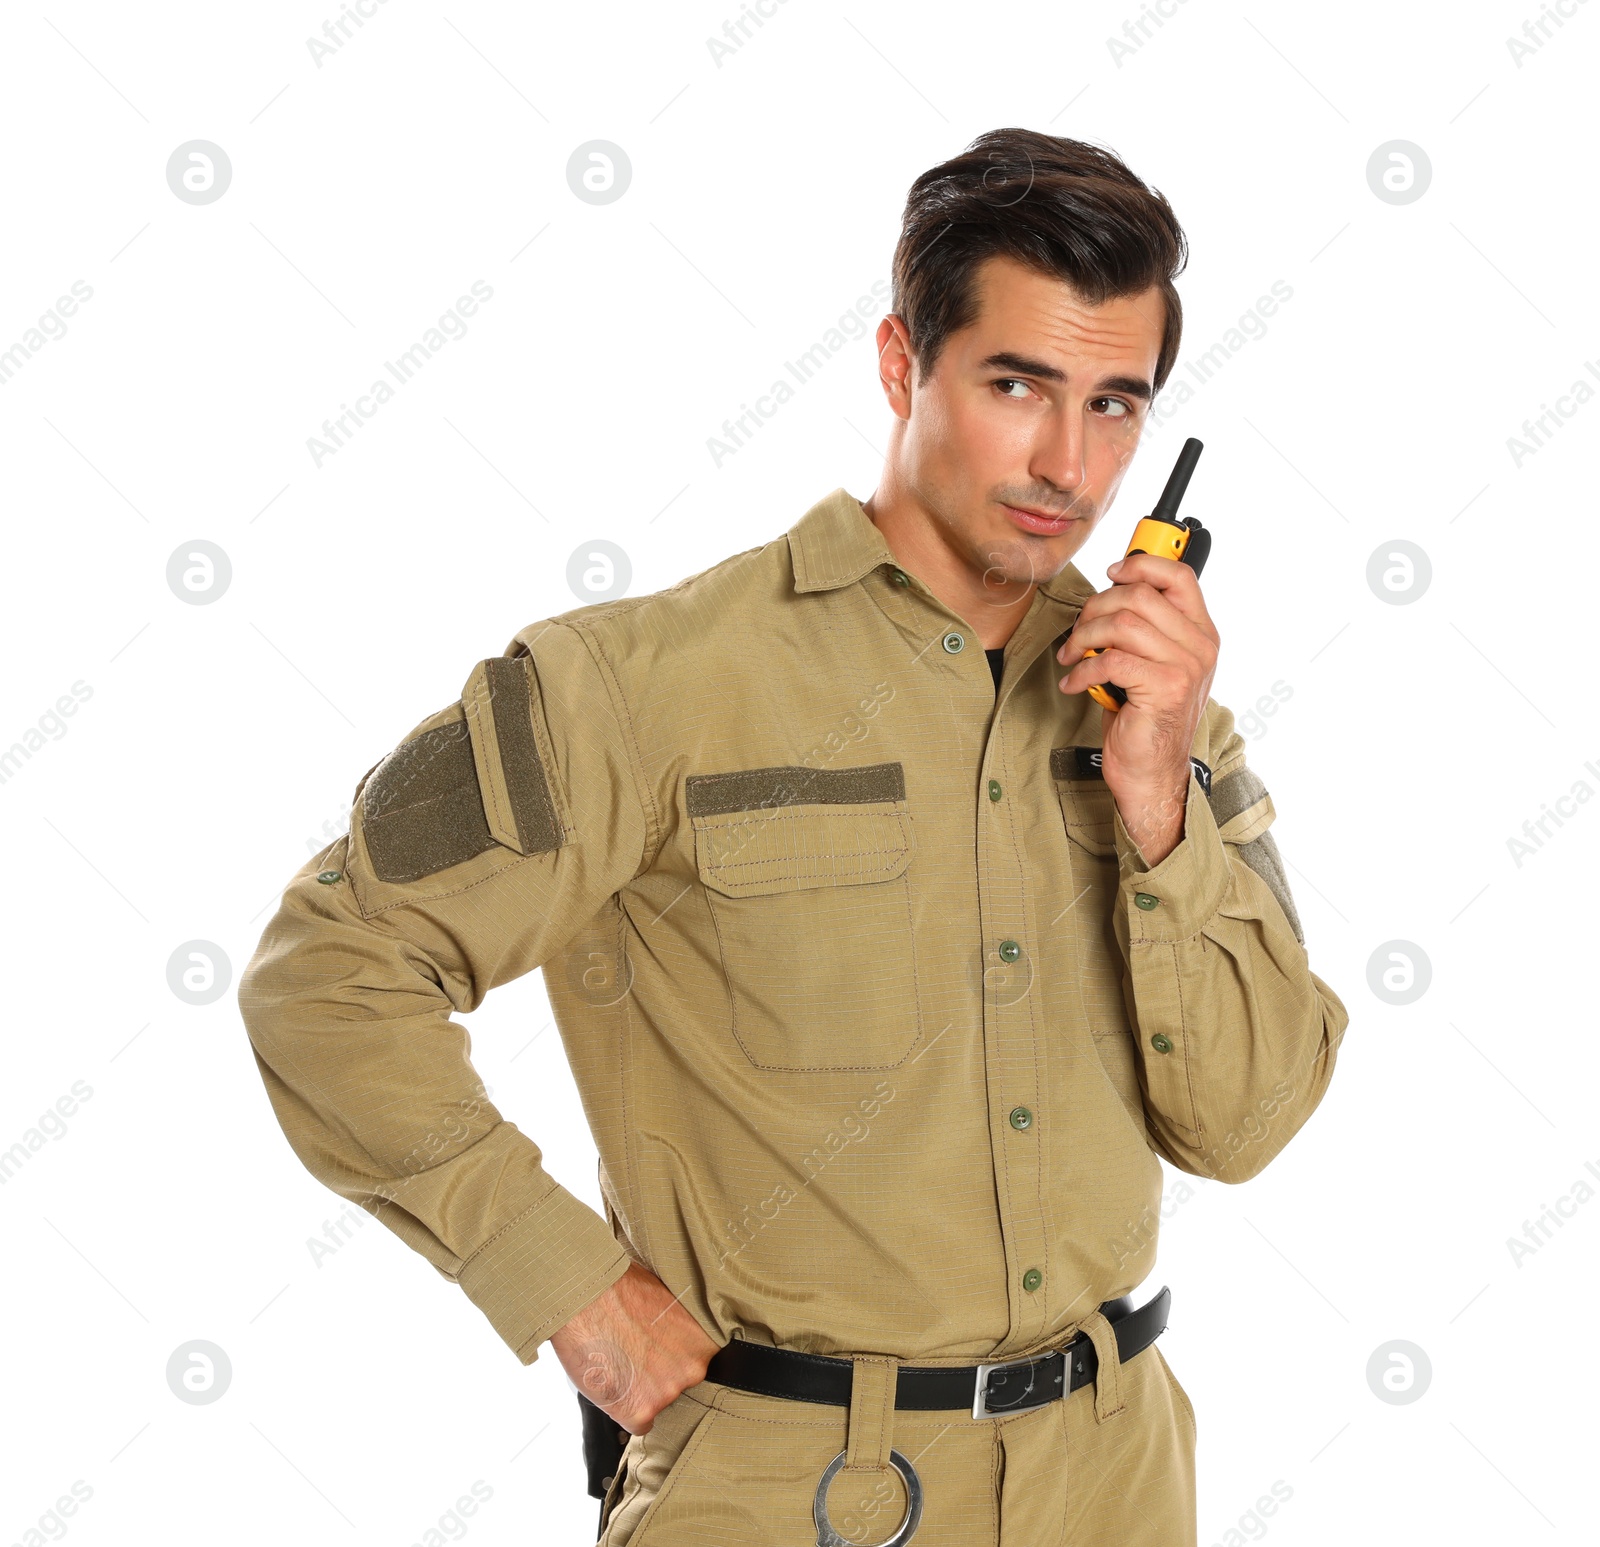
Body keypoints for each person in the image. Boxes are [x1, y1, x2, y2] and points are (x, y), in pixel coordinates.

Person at [238, 127, 1348, 1546]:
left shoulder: (1168, 717)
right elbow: (326, 971)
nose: (1071, 462)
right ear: (903, 366)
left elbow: (1249, 1125)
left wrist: (1159, 803)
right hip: (792, 1492)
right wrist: (562, 1281)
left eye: (1117, 405)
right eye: (1018, 385)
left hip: (1117, 1484)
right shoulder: (641, 685)